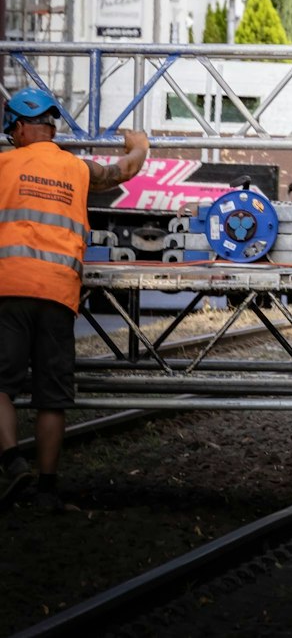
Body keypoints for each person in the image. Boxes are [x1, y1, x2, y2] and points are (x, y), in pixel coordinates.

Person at [0, 89, 149, 511]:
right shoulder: (77, 170)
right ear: (51, 126)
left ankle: (13, 463)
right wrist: (140, 146)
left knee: (0, 386)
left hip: (7, 289)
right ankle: (47, 491)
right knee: (52, 397)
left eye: (11, 130)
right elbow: (122, 170)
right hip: (58, 292)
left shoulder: (2, 164)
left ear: (19, 126)